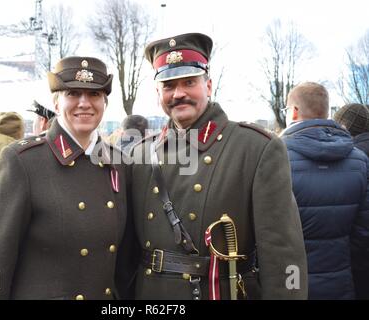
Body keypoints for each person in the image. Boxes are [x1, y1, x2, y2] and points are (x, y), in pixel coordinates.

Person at [129, 33, 308, 300]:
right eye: (168, 86)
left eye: (189, 82)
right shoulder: (140, 153)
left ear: (209, 85)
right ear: (158, 94)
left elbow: (283, 252)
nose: (179, 94)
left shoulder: (255, 148)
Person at [0, 56, 129, 300]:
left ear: (105, 103)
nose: (84, 103)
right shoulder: (22, 161)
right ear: (57, 104)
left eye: (95, 95)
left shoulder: (118, 162)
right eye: (73, 93)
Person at [280, 82, 369, 299]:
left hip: (290, 284)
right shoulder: (359, 161)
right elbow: (363, 232)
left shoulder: (275, 158)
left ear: (293, 111)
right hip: (341, 281)